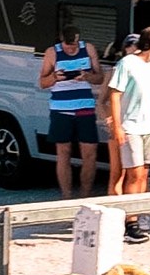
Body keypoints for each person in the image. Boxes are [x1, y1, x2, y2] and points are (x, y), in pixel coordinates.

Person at [104, 18, 150, 240]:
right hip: (131, 126)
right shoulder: (128, 63)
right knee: (134, 173)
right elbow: (115, 94)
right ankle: (129, 223)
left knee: (145, 173)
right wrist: (118, 126)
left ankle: (138, 214)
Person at [38, 15, 104, 197]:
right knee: (63, 152)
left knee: (90, 152)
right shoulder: (52, 52)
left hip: (85, 107)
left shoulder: (87, 48)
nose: (72, 49)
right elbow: (42, 82)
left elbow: (100, 77)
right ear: (62, 41)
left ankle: (85, 194)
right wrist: (55, 78)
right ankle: (66, 196)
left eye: (74, 46)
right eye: (68, 46)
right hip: (61, 108)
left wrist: (87, 76)